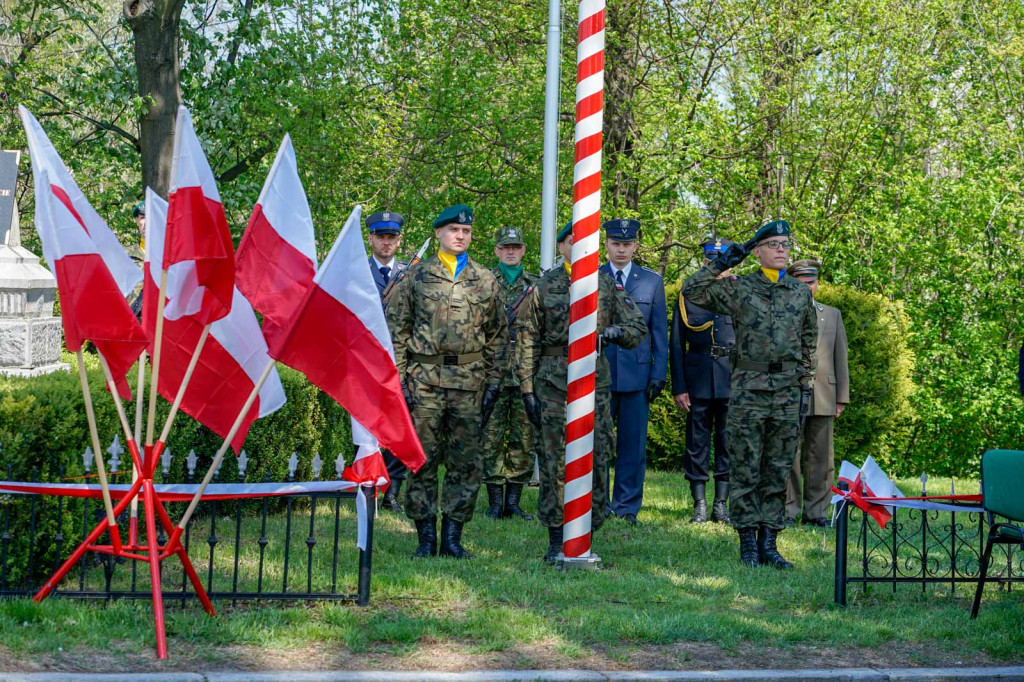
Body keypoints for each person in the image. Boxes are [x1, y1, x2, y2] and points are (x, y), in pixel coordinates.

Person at [682, 219, 817, 569]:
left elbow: (807, 340)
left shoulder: (800, 292)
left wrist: (803, 382)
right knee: (746, 465)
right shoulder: (740, 288)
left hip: (786, 391)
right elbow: (692, 290)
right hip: (748, 389)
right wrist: (726, 260)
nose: (782, 250)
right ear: (757, 251)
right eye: (773, 244)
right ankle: (747, 544)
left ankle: (769, 542)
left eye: (786, 244)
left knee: (777, 467)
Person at [516, 221, 646, 562]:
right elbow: (527, 339)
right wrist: (527, 389)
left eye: (586, 241)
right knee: (555, 460)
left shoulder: (605, 284)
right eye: (573, 241)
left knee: (598, 455)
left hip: (594, 385)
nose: (580, 246)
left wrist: (616, 332)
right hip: (553, 385)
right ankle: (557, 538)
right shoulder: (545, 285)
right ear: (562, 247)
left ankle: (588, 531)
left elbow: (637, 328)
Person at [386, 204, 507, 560]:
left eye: (466, 231)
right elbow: (397, 330)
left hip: (469, 383)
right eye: (453, 229)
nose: (460, 236)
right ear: (438, 233)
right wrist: (400, 379)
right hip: (423, 381)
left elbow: (498, 336)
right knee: (422, 458)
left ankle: (453, 537)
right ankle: (425, 538)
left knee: (465, 462)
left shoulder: (486, 280)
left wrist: (495, 382)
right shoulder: (416, 277)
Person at [598, 218, 668, 525]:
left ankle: (626, 506)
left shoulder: (651, 281)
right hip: (597, 374)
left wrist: (658, 374)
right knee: (596, 443)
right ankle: (596, 503)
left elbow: (658, 333)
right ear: (607, 245)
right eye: (616, 243)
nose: (621, 249)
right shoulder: (592, 276)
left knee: (633, 445)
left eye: (627, 244)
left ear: (635, 246)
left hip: (636, 376)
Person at [669, 237, 736, 524]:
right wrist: (679, 386)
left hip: (732, 377)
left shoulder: (740, 291)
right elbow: (676, 344)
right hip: (698, 376)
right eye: (711, 260)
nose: (715, 265)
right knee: (696, 442)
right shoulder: (689, 293)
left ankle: (721, 503)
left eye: (720, 260)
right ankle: (699, 503)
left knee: (728, 441)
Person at [785, 259, 849, 527]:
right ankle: (788, 510)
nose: (807, 287)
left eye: (811, 282)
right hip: (789, 393)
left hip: (823, 393)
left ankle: (816, 513)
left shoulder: (832, 314)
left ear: (817, 285)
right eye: (801, 283)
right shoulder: (782, 313)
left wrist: (841, 397)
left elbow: (840, 356)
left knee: (821, 457)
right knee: (788, 455)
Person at [482, 226, 539, 520]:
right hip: (492, 370)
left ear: (523, 250)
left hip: (526, 372)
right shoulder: (483, 282)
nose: (511, 251)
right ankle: (494, 501)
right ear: (497, 251)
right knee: (490, 437)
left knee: (523, 437)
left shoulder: (536, 284)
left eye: (516, 247)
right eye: (505, 247)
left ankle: (513, 501)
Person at [365, 210, 409, 512]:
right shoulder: (356, 270)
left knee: (396, 424)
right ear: (371, 239)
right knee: (365, 422)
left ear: (399, 240)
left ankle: (393, 488)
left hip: (400, 361)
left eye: (391, 237)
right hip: (364, 358)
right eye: (380, 236)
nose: (385, 242)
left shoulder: (411, 274)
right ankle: (365, 480)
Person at [126, 201, 146, 318]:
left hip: (162, 321)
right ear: (137, 221)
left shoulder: (169, 254)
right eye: (142, 218)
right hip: (133, 319)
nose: (146, 222)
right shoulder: (125, 255)